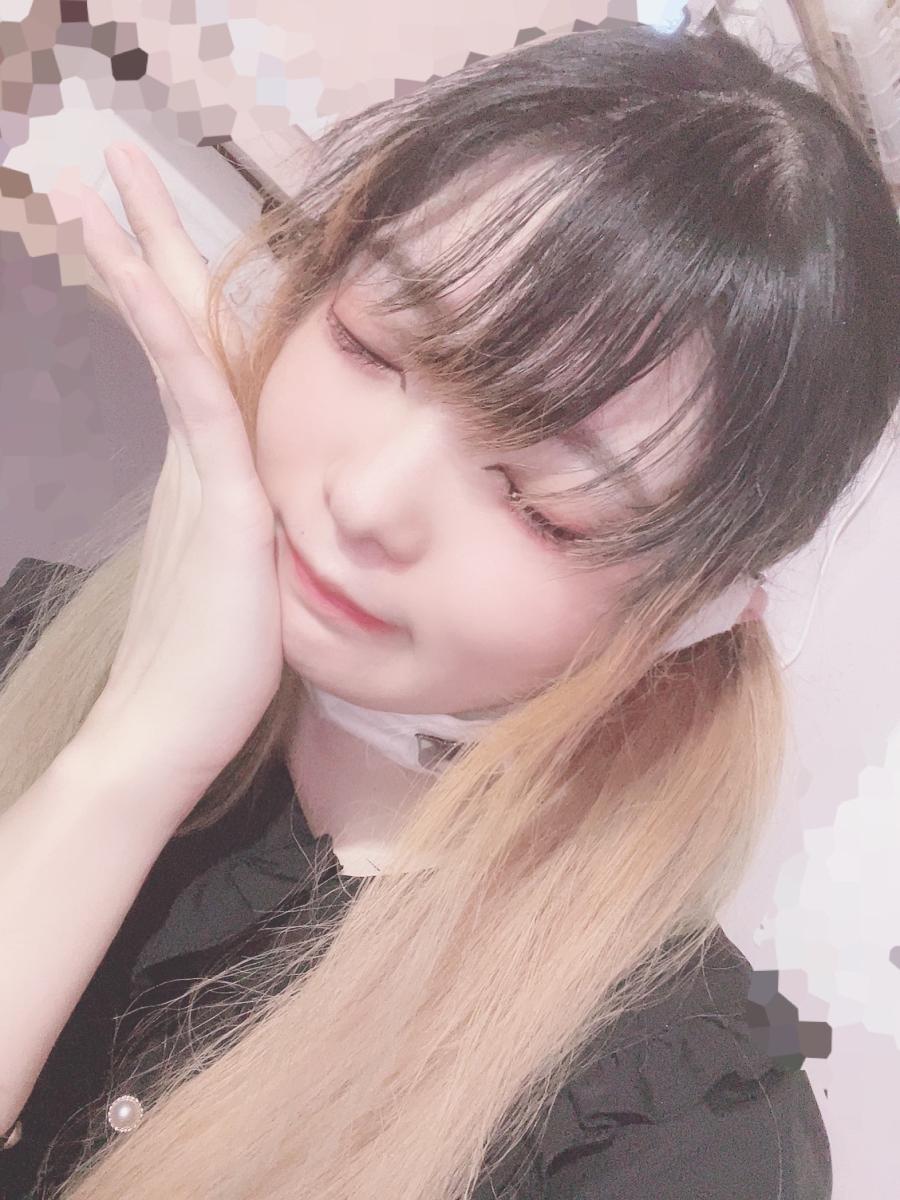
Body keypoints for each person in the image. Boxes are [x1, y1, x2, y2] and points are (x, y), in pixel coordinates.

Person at [1, 21, 897, 1200]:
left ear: (701, 607)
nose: (369, 501)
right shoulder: (32, 639)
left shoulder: (676, 1134)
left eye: (546, 503)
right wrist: (127, 759)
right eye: (372, 346)